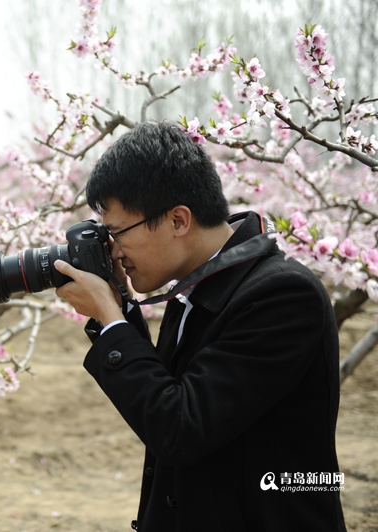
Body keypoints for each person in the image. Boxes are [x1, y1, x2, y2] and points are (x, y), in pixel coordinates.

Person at [52, 120, 347, 531]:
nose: (113, 249)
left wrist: (113, 321)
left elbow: (181, 429)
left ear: (178, 220)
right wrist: (122, 311)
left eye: (118, 232)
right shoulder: (198, 287)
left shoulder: (283, 295)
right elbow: (164, 406)